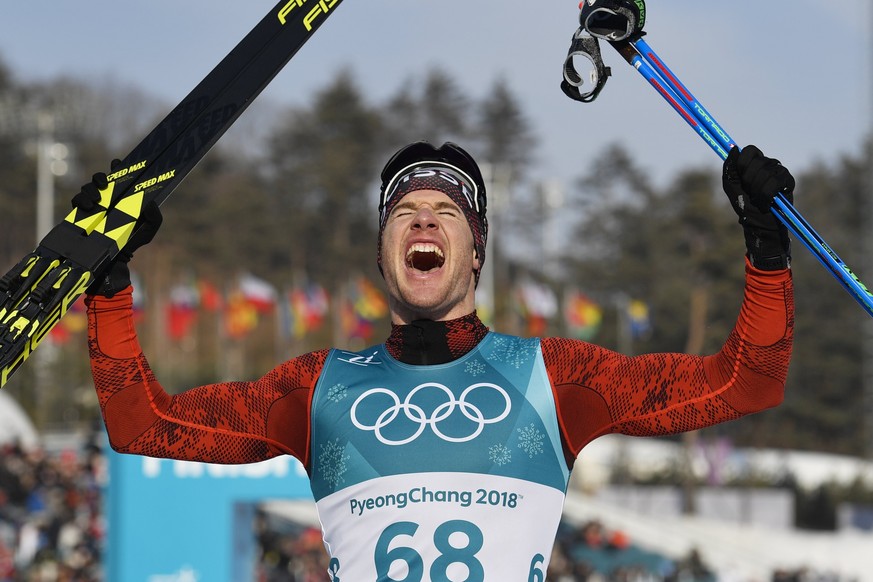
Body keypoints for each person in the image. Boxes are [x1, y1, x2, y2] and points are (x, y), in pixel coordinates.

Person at [79, 139, 794, 580]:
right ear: (384, 250)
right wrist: (108, 285)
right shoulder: (314, 389)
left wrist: (766, 253)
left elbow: (745, 383)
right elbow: (143, 425)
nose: (423, 217)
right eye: (403, 210)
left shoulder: (554, 376)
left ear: (474, 250)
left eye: (447, 211)